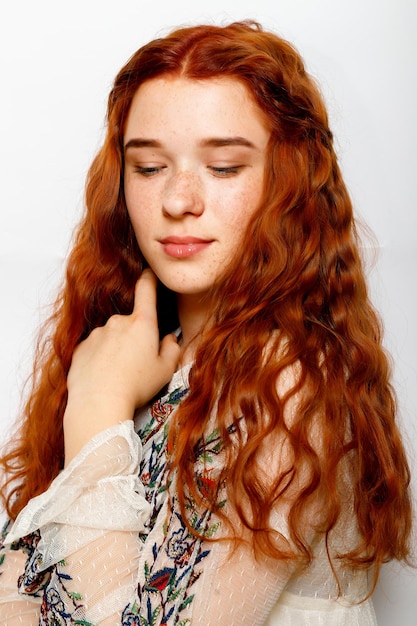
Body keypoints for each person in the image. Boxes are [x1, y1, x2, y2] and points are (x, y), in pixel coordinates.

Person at [0, 20, 412, 625]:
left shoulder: (287, 383)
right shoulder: (142, 356)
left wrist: (96, 410)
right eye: (148, 169)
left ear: (287, 182)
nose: (177, 199)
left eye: (223, 167)